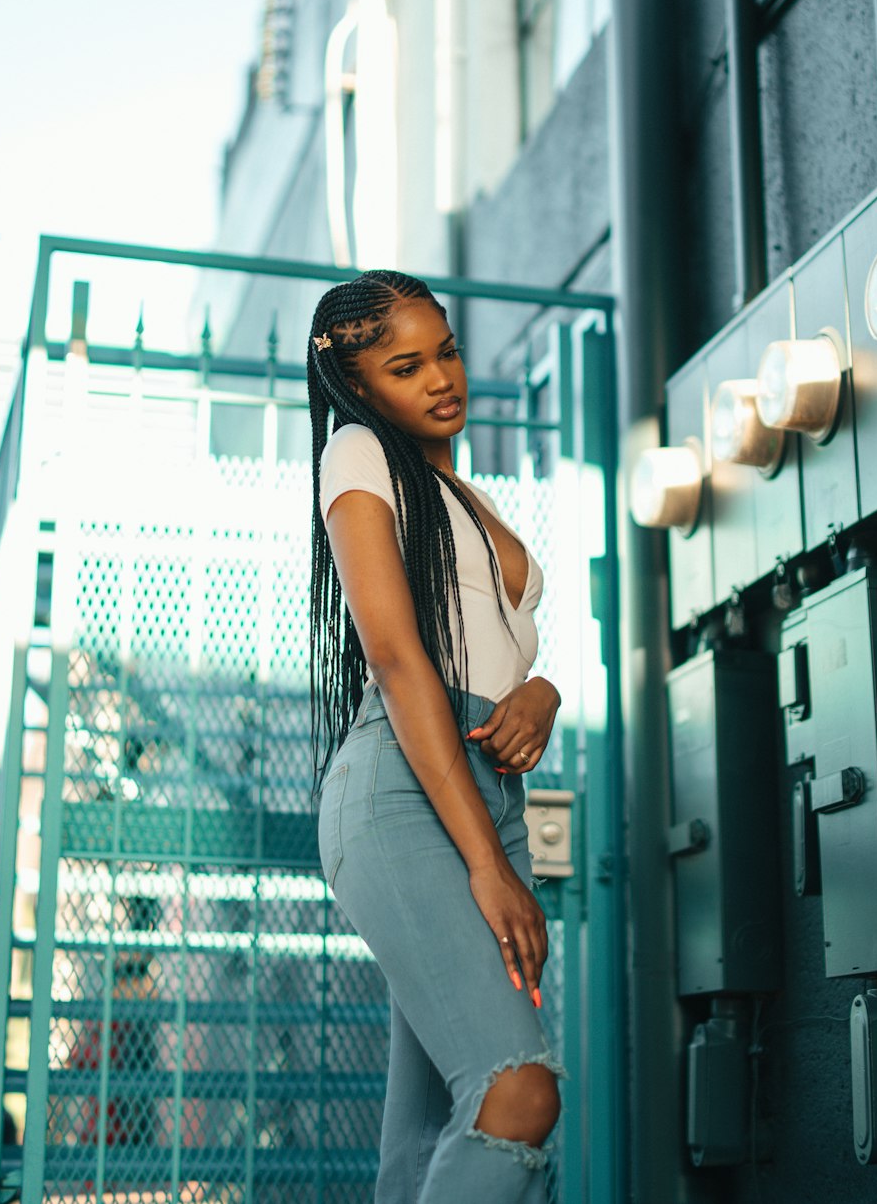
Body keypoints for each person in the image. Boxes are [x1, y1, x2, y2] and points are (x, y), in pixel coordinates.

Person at [307, 269, 564, 1203]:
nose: (441, 378)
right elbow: (400, 658)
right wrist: (488, 867)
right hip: (409, 787)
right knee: (518, 1091)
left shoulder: (466, 496)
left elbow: (501, 656)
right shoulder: (358, 452)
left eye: (446, 351)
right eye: (406, 365)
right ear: (361, 385)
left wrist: (545, 692)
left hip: (489, 790)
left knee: (427, 1136)